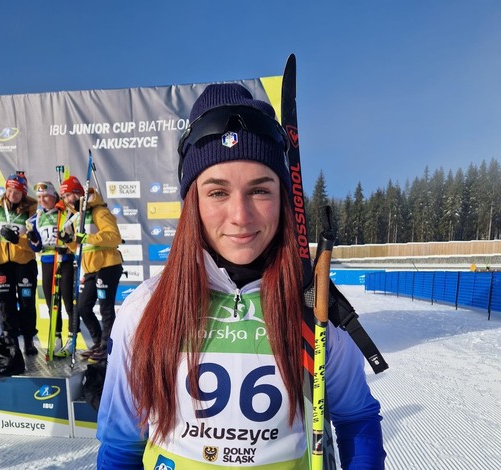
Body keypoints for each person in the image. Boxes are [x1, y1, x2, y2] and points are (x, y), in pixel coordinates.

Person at [96, 84, 386, 469]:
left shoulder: (316, 308)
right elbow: (121, 447)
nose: (240, 216)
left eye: (259, 191)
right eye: (217, 193)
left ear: (283, 198)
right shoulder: (145, 309)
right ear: (193, 203)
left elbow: (356, 420)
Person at [58, 176, 123, 363]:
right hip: (91, 269)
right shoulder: (78, 216)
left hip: (108, 265)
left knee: (106, 309)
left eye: (68, 195)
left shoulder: (99, 211)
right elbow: (79, 247)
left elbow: (114, 237)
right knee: (82, 307)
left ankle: (106, 346)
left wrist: (86, 237)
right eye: (64, 196)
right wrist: (68, 241)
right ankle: (97, 341)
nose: (66, 199)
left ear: (79, 193)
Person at [27, 181, 76, 357]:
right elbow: (36, 247)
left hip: (65, 259)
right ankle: (56, 338)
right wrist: (33, 239)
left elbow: (75, 235)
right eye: (39, 197)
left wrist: (67, 241)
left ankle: (72, 339)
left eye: (46, 196)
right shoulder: (35, 218)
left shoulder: (65, 213)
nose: (42, 200)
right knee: (51, 303)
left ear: (54, 196)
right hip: (47, 261)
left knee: (68, 300)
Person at [0, 172, 39, 357]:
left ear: (24, 193)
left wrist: (18, 239)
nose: (13, 194)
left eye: (18, 192)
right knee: (5, 304)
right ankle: (11, 342)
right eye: (11, 190)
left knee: (26, 302)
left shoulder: (32, 208)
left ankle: (28, 340)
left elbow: (37, 242)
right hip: (0, 262)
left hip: (24, 262)